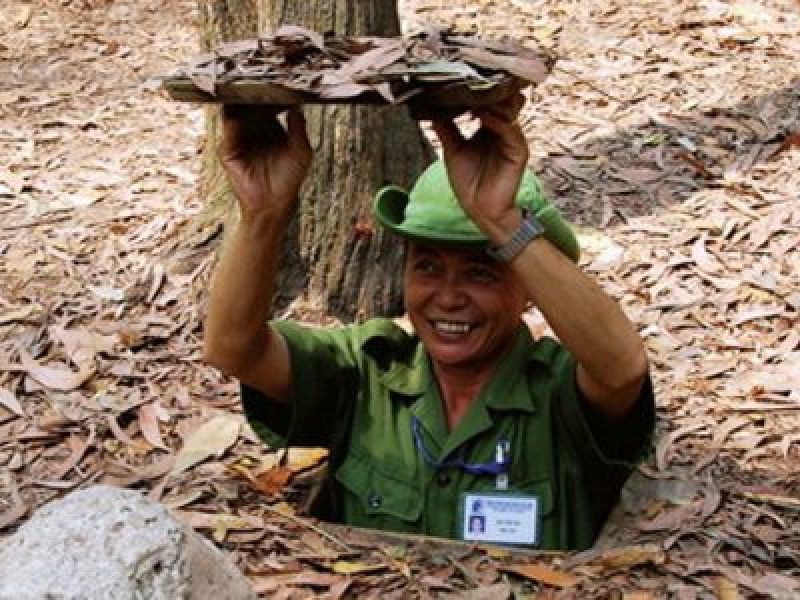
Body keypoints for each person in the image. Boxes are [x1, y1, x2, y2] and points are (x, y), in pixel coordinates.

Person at [204, 94, 655, 550]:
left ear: (528, 287)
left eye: (480, 273)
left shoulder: (558, 392)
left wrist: (502, 223)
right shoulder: (367, 374)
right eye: (427, 267)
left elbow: (623, 367)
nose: (448, 297)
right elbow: (233, 348)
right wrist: (263, 215)